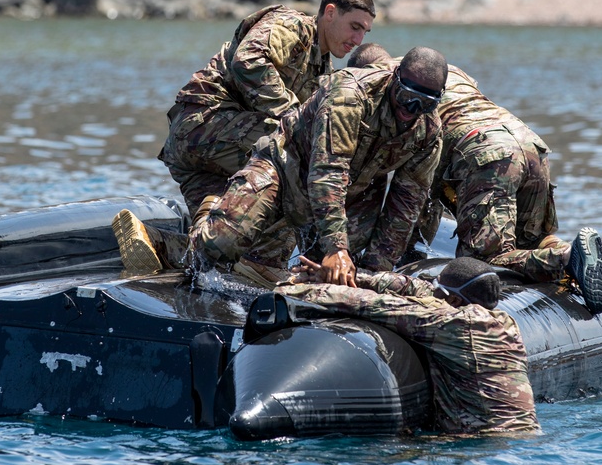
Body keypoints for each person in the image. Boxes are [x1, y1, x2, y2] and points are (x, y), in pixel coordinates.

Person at [346, 44, 602, 315]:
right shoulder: (436, 71)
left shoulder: (389, 89)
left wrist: (387, 267)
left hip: (485, 155)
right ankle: (591, 258)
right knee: (530, 241)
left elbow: (413, 194)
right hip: (528, 144)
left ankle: (569, 258)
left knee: (480, 263)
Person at [114, 0, 376, 274]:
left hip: (212, 157)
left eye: (365, 32)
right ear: (330, 12)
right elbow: (248, 60)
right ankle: (268, 263)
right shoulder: (293, 27)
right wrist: (293, 114)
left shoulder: (321, 69)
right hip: (206, 127)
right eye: (355, 26)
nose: (358, 38)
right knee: (296, 162)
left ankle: (155, 243)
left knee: (211, 249)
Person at [188, 46, 449, 288]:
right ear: (395, 78)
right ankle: (211, 209)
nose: (410, 109)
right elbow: (327, 172)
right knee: (220, 243)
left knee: (336, 275)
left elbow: (406, 203)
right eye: (406, 97)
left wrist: (373, 274)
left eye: (424, 103)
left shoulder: (428, 130)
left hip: (351, 190)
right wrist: (336, 247)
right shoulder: (350, 96)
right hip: (288, 165)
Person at [278, 256, 540, 436]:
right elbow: (418, 288)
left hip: (479, 444)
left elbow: (372, 305)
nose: (432, 295)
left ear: (454, 301)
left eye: (439, 292)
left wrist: (293, 290)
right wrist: (352, 277)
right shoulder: (505, 323)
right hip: (518, 441)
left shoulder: (452, 323)